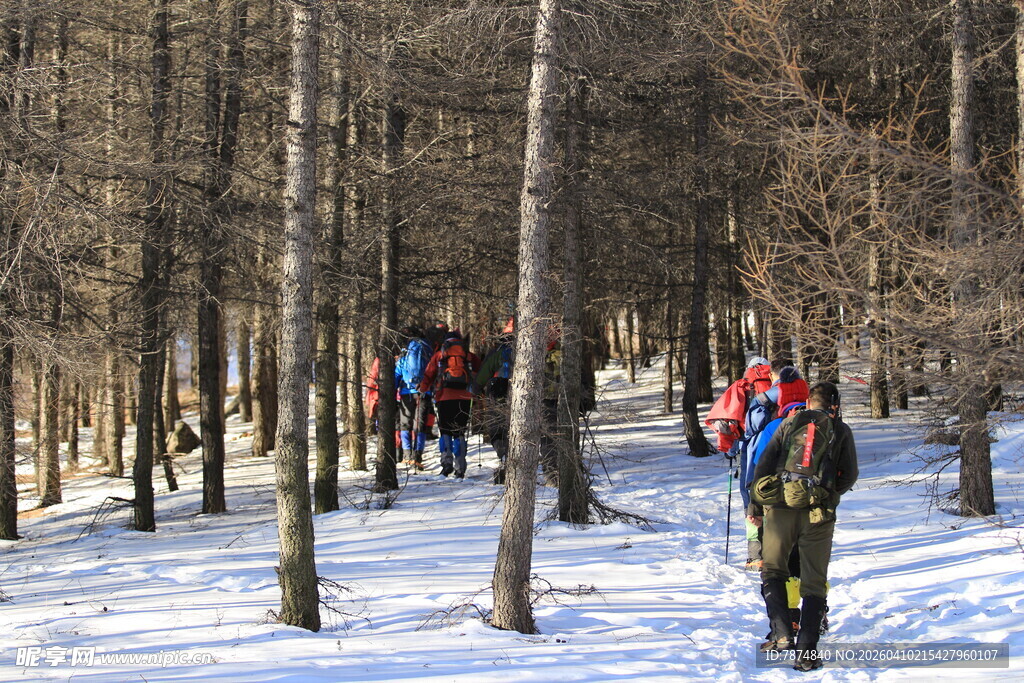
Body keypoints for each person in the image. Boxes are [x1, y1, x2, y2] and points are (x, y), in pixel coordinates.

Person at [750, 381, 858, 671]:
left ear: (808, 402)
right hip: (818, 514)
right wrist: (827, 494)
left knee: (773, 571)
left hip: (780, 510)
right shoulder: (840, 430)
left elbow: (764, 465)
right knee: (813, 582)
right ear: (834, 405)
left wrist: (757, 505)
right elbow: (850, 474)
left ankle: (782, 633)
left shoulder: (788, 424)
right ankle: (807, 653)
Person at [741, 360, 809, 570]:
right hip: (806, 486)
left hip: (766, 466)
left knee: (758, 509)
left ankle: (757, 556)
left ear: (771, 375)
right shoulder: (808, 400)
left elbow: (752, 432)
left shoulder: (764, 400)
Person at [419, 330, 480, 479]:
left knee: (445, 431)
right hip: (465, 397)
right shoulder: (468, 355)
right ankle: (460, 468)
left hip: (444, 397)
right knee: (460, 432)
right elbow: (479, 372)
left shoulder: (439, 355)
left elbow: (429, 374)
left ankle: (446, 464)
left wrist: (422, 389)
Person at [475, 332, 514, 484]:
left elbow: (483, 375)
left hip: (497, 393)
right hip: (518, 394)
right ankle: (510, 456)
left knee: (496, 428)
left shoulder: (497, 353)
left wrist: (475, 389)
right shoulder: (523, 351)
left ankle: (503, 455)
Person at [394, 326, 433, 469]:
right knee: (420, 425)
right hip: (424, 391)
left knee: (405, 423)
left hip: (407, 392)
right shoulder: (428, 349)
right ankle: (418, 456)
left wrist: (393, 390)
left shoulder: (406, 352)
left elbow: (398, 372)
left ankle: (407, 456)